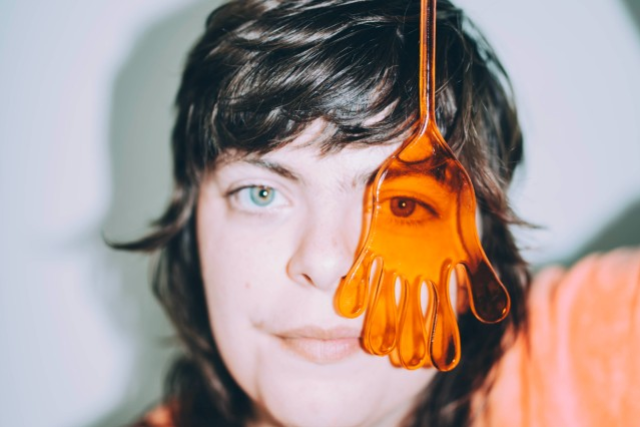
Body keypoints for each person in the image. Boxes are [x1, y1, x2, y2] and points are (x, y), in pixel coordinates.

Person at [119, 0, 640, 426]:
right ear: (192, 232)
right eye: (261, 193)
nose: (325, 263)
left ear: (478, 245)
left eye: (403, 205)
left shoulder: (584, 355)